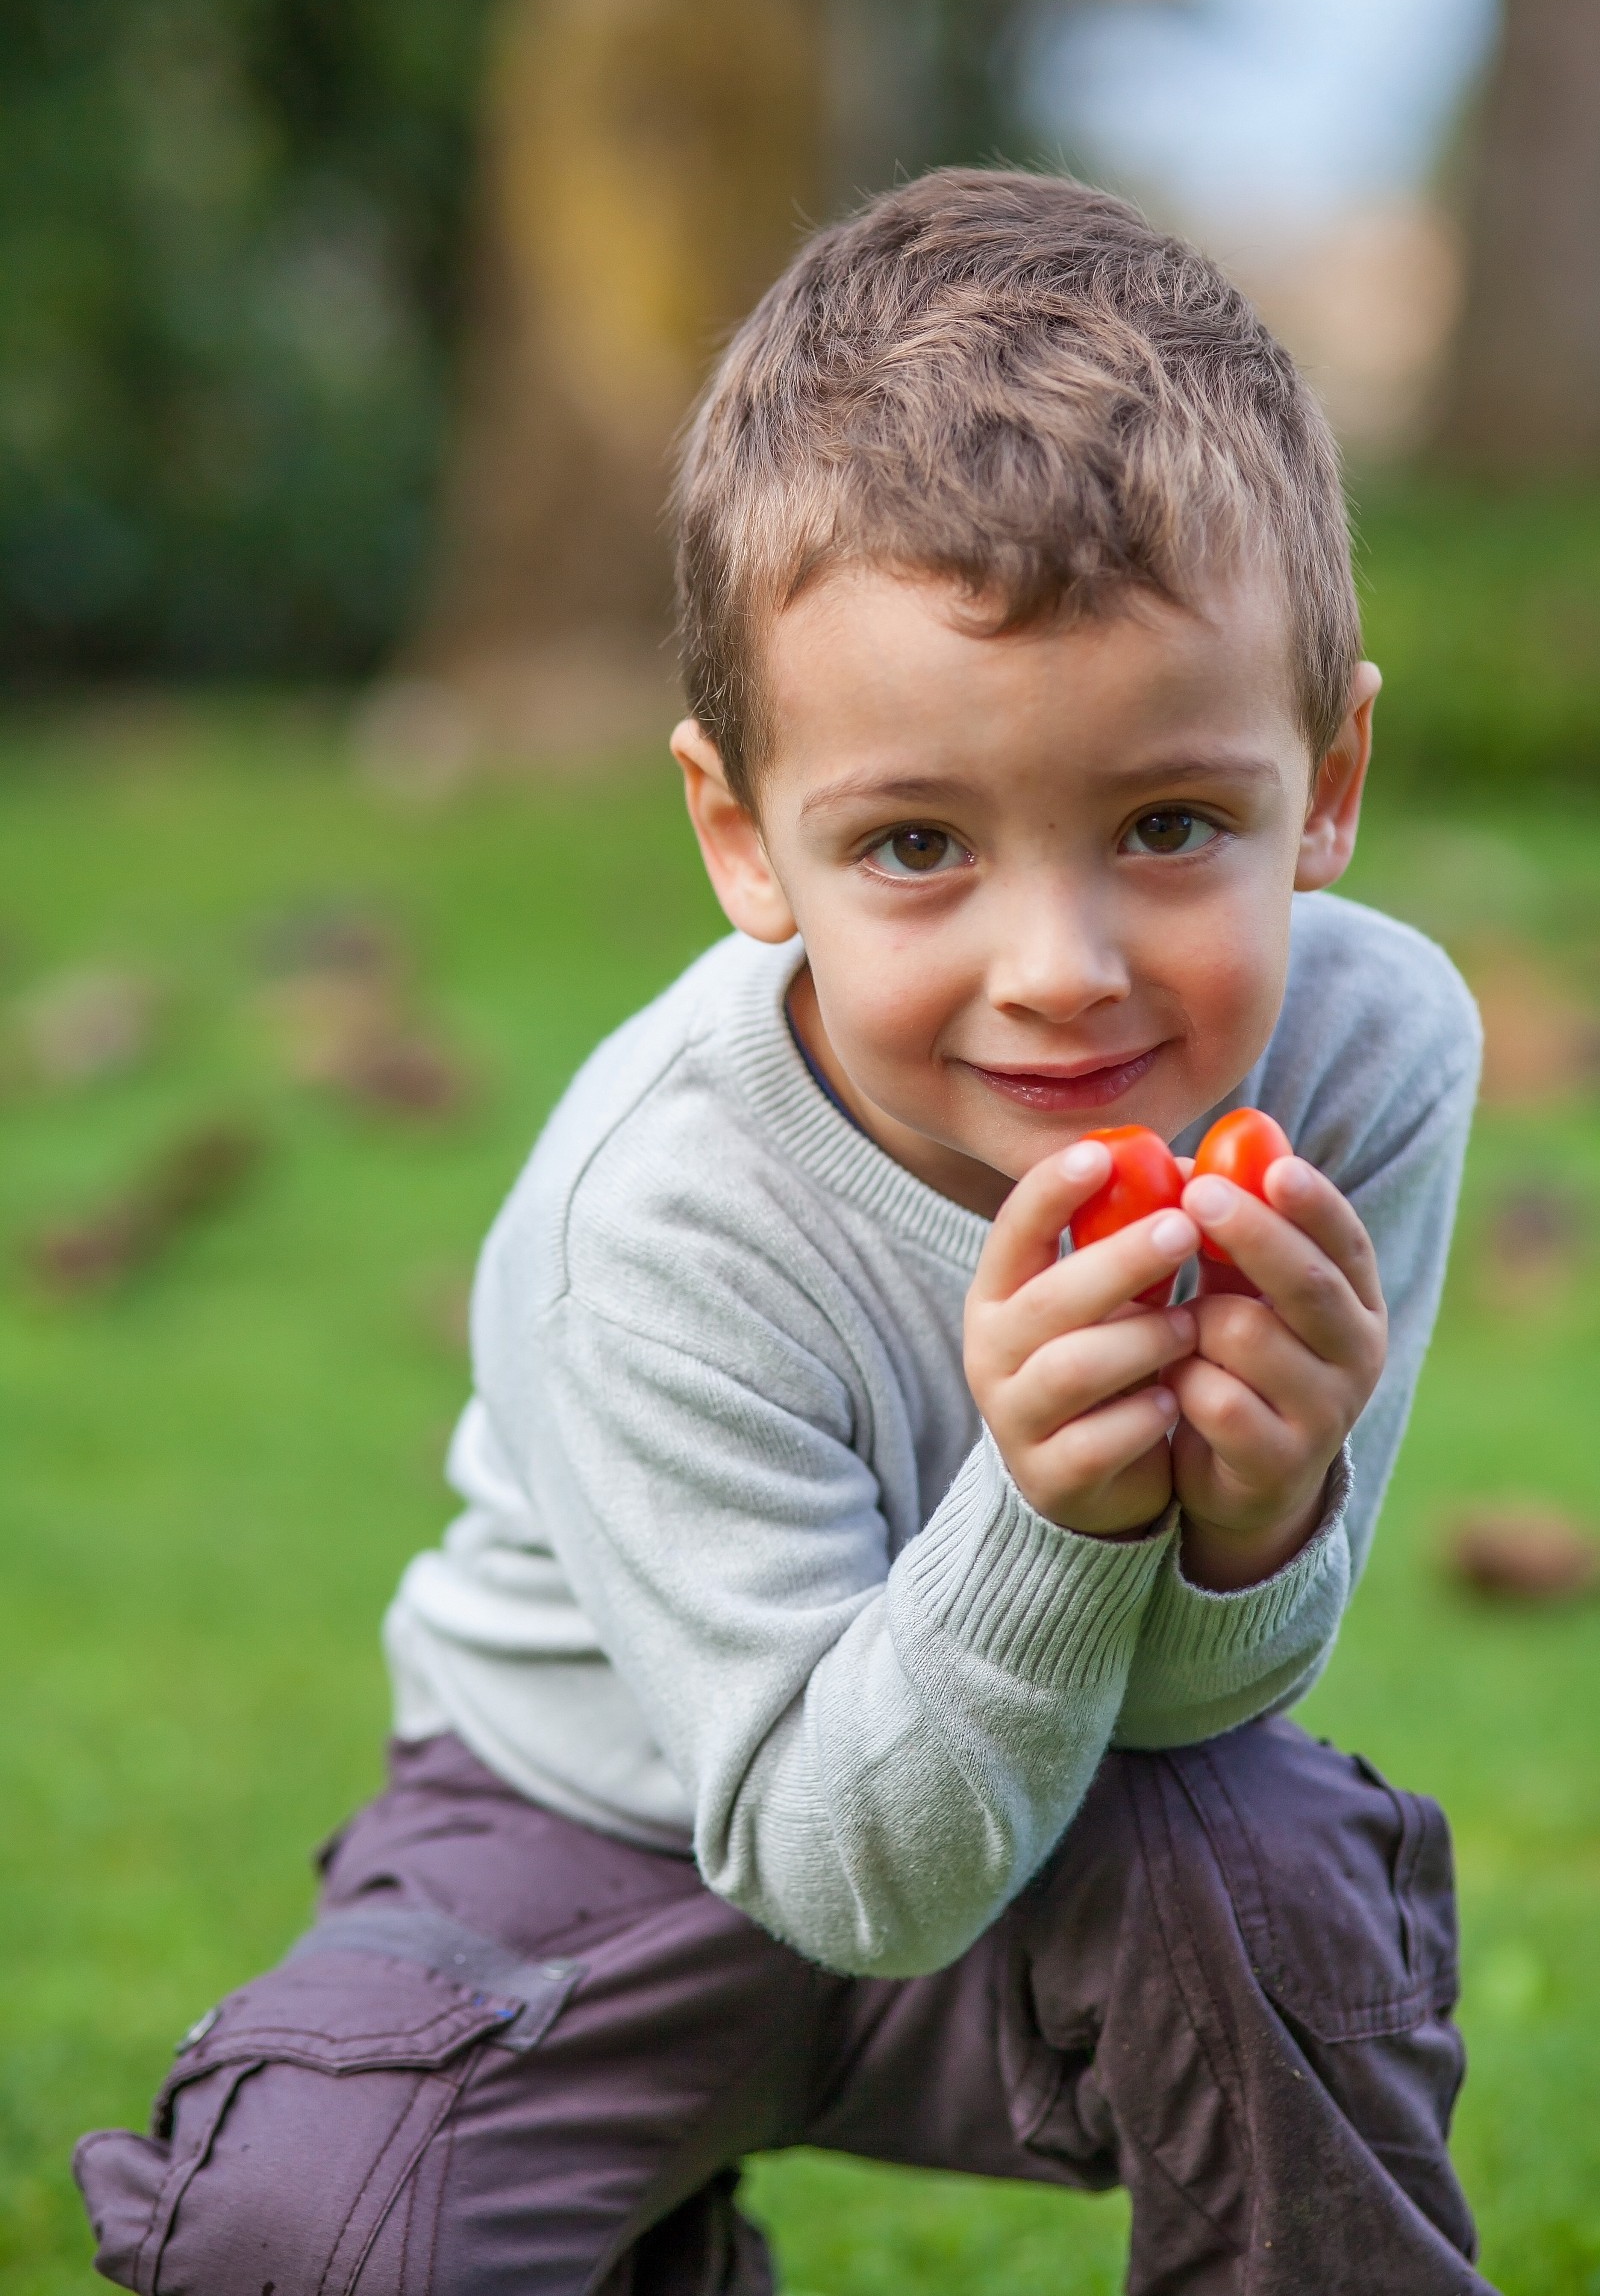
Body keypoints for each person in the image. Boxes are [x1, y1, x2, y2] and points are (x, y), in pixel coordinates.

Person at [75, 170, 1488, 2295]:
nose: (1063, 972)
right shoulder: (652, 1213)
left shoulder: (1362, 1053)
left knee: (1273, 1874)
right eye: (915, 844)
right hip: (590, 1837)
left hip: (1065, 1823)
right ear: (741, 837)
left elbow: (1202, 1718)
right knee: (307, 2233)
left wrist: (1249, 1522)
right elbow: (843, 1866)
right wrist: (1055, 1509)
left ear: (1329, 772)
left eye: (1171, 825)